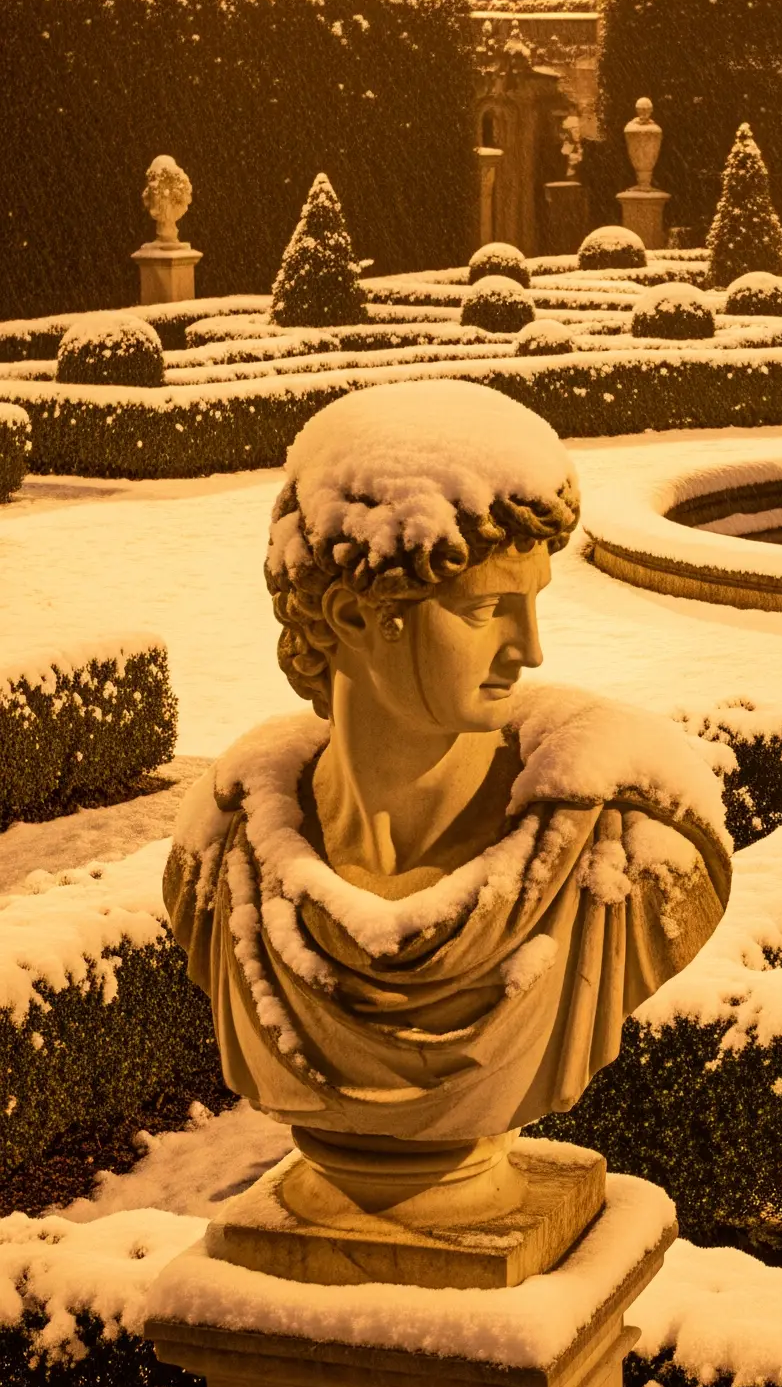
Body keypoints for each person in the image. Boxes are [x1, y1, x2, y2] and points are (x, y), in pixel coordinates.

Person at [164, 381, 731, 1232]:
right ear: (353, 615)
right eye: (484, 609)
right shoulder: (220, 859)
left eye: (534, 602)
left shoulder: (632, 856)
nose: (530, 648)